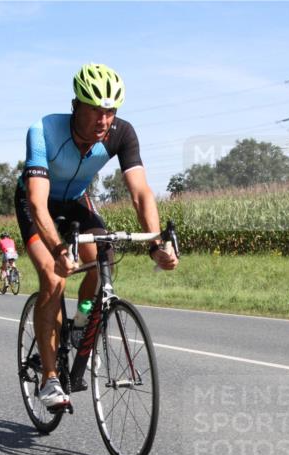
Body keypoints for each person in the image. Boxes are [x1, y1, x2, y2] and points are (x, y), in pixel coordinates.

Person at [15, 63, 178, 408]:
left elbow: (141, 194)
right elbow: (37, 201)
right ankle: (49, 379)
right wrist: (59, 248)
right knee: (53, 277)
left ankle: (81, 320)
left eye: (110, 111)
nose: (103, 120)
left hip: (75, 201)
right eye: (94, 110)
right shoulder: (43, 131)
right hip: (38, 205)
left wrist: (156, 243)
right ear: (76, 106)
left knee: (103, 256)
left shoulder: (122, 133)